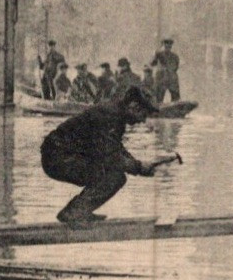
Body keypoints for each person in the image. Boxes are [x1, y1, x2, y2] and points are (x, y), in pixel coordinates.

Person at [40, 86, 176, 226]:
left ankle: (78, 211)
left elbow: (115, 148)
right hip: (57, 157)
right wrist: (139, 167)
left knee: (112, 175)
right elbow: (111, 156)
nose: (143, 120)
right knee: (114, 177)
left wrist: (138, 164)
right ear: (134, 106)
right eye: (144, 114)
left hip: (59, 154)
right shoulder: (110, 115)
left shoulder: (115, 114)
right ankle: (74, 213)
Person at [150, 38, 181, 103]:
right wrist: (155, 55)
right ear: (163, 45)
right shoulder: (158, 54)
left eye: (169, 46)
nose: (168, 47)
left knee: (175, 97)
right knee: (159, 97)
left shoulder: (175, 56)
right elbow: (152, 63)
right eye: (166, 45)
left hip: (171, 79)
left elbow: (176, 67)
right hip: (161, 78)